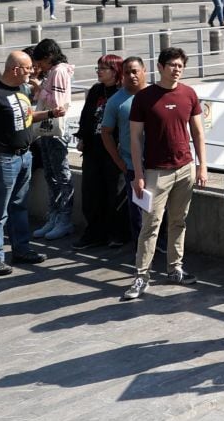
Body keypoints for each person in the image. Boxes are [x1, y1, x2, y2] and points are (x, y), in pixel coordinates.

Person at [121, 46, 207, 301]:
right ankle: (141, 275)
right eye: (172, 65)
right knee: (151, 225)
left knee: (179, 221)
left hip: (185, 168)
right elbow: (135, 138)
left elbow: (198, 133)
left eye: (180, 66)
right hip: (155, 172)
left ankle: (175, 268)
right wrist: (138, 174)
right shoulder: (144, 98)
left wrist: (202, 165)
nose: (177, 70)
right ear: (160, 67)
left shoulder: (189, 94)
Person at [0, 49, 46, 275]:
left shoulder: (22, 89)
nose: (32, 72)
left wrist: (50, 114)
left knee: (19, 206)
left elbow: (27, 116)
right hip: (3, 158)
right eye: (28, 68)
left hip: (24, 156)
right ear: (16, 69)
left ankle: (21, 249)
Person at [98, 57, 148, 248]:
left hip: (159, 164)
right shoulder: (115, 101)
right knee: (137, 212)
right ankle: (140, 250)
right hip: (132, 166)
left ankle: (160, 244)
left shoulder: (156, 94)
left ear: (144, 71)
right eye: (127, 72)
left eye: (135, 71)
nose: (132, 76)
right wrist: (119, 162)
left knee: (162, 210)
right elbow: (106, 133)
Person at [73, 54, 123, 247]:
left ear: (115, 71)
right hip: (93, 148)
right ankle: (94, 232)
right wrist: (83, 138)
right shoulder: (96, 90)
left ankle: (116, 233)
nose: (99, 72)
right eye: (98, 68)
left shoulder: (122, 92)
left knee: (114, 193)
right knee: (91, 192)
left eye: (104, 68)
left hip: (113, 150)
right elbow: (86, 116)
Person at [29, 38, 77, 240]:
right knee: (51, 174)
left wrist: (39, 88)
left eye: (40, 61)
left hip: (56, 129)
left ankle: (63, 219)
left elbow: (57, 103)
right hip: (49, 129)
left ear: (48, 57)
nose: (38, 65)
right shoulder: (56, 71)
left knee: (60, 174)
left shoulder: (58, 71)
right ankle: (55, 217)